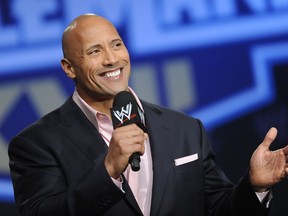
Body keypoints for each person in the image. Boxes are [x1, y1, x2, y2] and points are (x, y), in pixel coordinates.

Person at [8, 13, 288, 216]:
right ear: (69, 68)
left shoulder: (185, 129)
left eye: (116, 44)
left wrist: (254, 187)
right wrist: (107, 172)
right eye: (94, 51)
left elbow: (218, 209)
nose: (112, 59)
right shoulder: (36, 144)